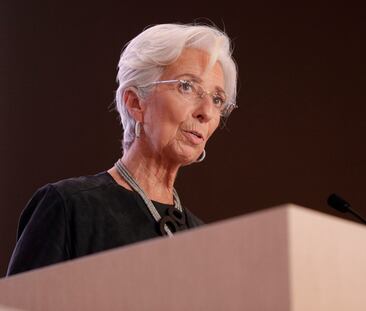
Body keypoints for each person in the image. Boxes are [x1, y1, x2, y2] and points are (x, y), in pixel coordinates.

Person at [7, 23, 238, 276]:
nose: (206, 111)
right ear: (135, 102)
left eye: (217, 99)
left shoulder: (205, 240)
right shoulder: (69, 207)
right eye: (187, 86)